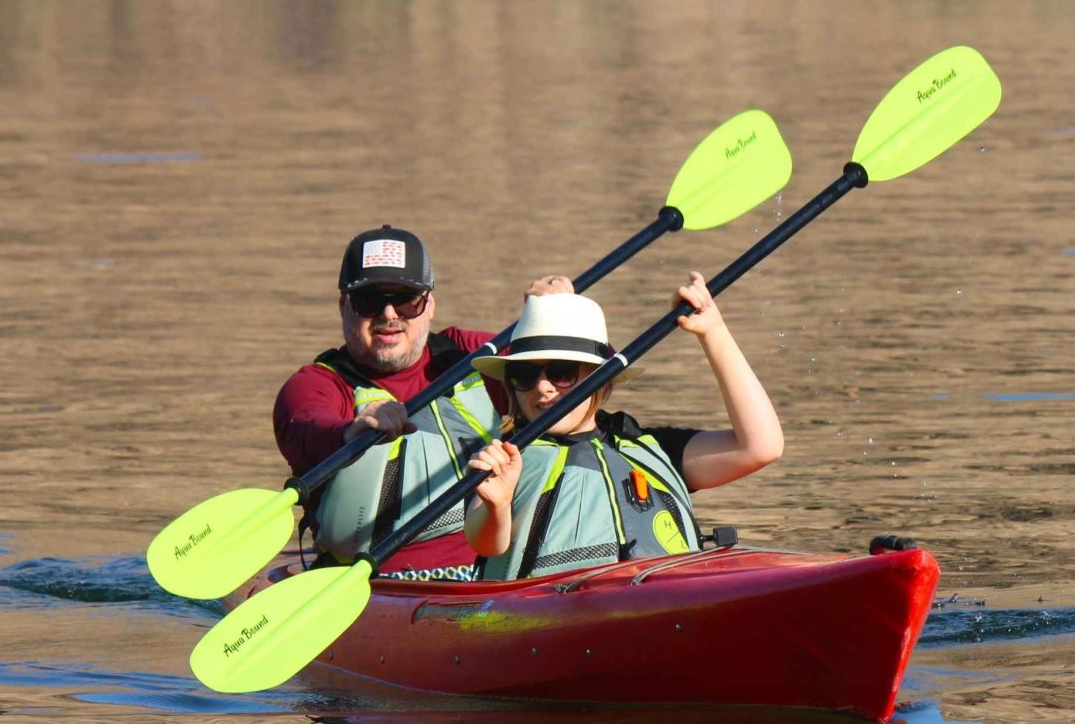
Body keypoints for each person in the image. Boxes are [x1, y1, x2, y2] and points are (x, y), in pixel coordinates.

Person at [464, 274, 783, 579]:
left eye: (562, 372)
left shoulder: (647, 447)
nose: (543, 387)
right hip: (549, 617)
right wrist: (497, 504)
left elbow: (761, 446)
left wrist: (712, 331)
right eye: (525, 375)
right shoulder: (502, 460)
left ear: (598, 379)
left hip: (665, 604)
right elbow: (486, 544)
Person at [273, 224, 511, 581]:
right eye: (369, 300)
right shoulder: (316, 385)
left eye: (405, 299)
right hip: (373, 583)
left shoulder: (470, 354)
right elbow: (307, 427)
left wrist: (556, 313)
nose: (388, 314)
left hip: (489, 573)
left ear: (429, 305)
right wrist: (353, 431)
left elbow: (577, 370)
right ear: (344, 307)